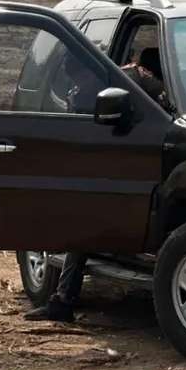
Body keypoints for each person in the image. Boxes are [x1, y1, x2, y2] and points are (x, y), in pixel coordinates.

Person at [24, 46, 168, 323]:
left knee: (81, 231)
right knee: (82, 230)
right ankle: (63, 299)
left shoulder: (121, 79)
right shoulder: (131, 80)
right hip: (126, 166)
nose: (76, 86)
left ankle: (63, 300)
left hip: (121, 166)